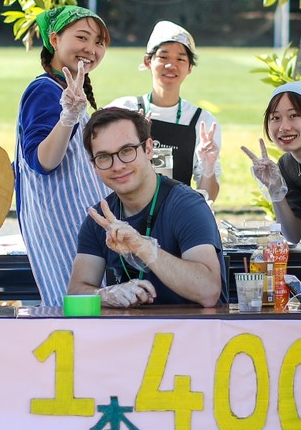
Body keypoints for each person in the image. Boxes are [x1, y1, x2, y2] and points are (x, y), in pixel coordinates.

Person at [69, 107, 224, 308]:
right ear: (94, 165)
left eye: (126, 151)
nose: (117, 166)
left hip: (192, 334)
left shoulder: (187, 205)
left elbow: (208, 291)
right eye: (104, 157)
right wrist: (105, 295)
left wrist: (141, 246)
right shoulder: (99, 218)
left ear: (149, 149)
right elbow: (75, 293)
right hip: (131, 335)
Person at [15, 4, 109, 308]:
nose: (91, 49)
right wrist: (68, 117)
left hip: (79, 226)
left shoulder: (66, 88)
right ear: (54, 39)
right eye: (82, 37)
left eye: (99, 42)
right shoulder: (43, 90)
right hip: (63, 229)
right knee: (78, 315)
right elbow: (42, 161)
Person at [108, 20, 221, 202]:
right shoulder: (123, 109)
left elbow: (209, 197)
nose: (171, 65)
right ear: (148, 61)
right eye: (163, 57)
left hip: (176, 220)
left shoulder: (203, 122)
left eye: (181, 59)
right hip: (125, 217)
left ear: (190, 67)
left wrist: (208, 166)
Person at [241, 81, 301, 246]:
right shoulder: (288, 164)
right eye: (276, 118)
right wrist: (275, 190)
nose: (284, 127)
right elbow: (292, 235)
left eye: (294, 115)